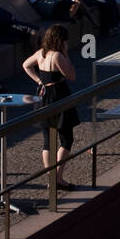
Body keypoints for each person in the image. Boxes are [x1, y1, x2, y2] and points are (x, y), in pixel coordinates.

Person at [22, 24, 79, 189]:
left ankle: (51, 177)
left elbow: (26, 65)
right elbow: (72, 76)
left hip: (44, 95)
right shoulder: (58, 56)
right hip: (59, 95)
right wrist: (66, 55)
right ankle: (58, 178)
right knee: (66, 138)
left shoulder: (41, 53)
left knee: (47, 140)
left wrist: (39, 80)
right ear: (61, 40)